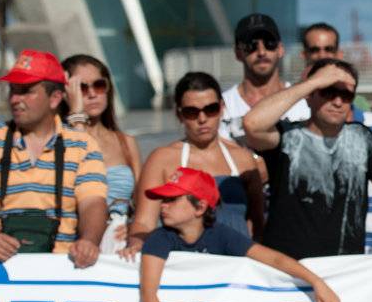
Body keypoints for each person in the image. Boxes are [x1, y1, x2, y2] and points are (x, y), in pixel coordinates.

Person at [243, 58, 372, 263]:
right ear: (310, 95)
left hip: (344, 271)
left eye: (346, 95)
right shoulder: (286, 136)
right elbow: (252, 124)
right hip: (286, 270)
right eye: (328, 91)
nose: (338, 102)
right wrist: (312, 82)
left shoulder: (362, 138)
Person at [139, 167, 340, 302]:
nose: (163, 206)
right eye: (163, 200)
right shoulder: (159, 238)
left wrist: (316, 282)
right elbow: (148, 293)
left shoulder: (222, 234)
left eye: (171, 200)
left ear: (200, 207)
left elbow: (273, 258)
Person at [0, 50, 107, 266]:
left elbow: (93, 202)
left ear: (55, 98)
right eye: (13, 90)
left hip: (59, 268)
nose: (16, 99)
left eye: (26, 91)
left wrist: (89, 241)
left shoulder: (83, 146)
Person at [126, 72, 265, 255]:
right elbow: (144, 221)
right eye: (192, 112)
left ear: (222, 108)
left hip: (236, 269)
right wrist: (136, 243)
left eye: (211, 109)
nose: (202, 119)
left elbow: (257, 222)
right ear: (179, 115)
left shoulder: (243, 159)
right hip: (187, 267)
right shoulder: (162, 159)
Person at [302, 20, 372, 253]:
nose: (321, 56)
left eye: (328, 50)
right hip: (309, 254)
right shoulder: (296, 128)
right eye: (314, 50)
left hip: (367, 252)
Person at [61, 55, 141, 254]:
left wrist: (134, 229)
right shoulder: (58, 138)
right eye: (82, 87)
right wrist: (76, 116)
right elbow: (71, 177)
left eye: (98, 85)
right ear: (66, 92)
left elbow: (142, 204)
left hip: (118, 248)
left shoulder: (125, 142)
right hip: (75, 245)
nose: (92, 94)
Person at [221, 13, 306, 141]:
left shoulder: (302, 102)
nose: (261, 52)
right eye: (252, 45)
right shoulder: (221, 107)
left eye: (269, 43)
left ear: (281, 49)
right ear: (238, 53)